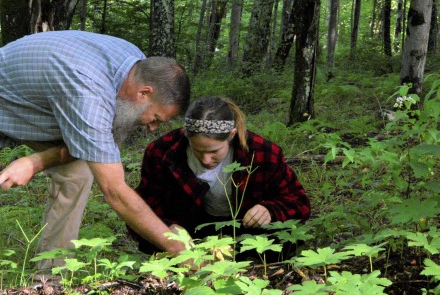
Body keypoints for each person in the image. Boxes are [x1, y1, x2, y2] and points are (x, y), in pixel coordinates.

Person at [0, 31, 191, 295]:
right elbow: (116, 191)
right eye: (155, 119)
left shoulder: (133, 65)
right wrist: (174, 246)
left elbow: (83, 144)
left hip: (38, 114)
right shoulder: (88, 90)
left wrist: (35, 161)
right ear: (143, 93)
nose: (151, 128)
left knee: (79, 173)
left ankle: (49, 285)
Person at [130, 96, 310, 258]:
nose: (206, 160)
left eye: (214, 151)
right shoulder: (161, 153)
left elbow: (299, 203)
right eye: (197, 151)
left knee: (284, 239)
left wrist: (270, 210)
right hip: (192, 233)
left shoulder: (262, 153)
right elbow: (143, 207)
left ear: (231, 135)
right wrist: (168, 227)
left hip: (248, 232)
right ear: (186, 136)